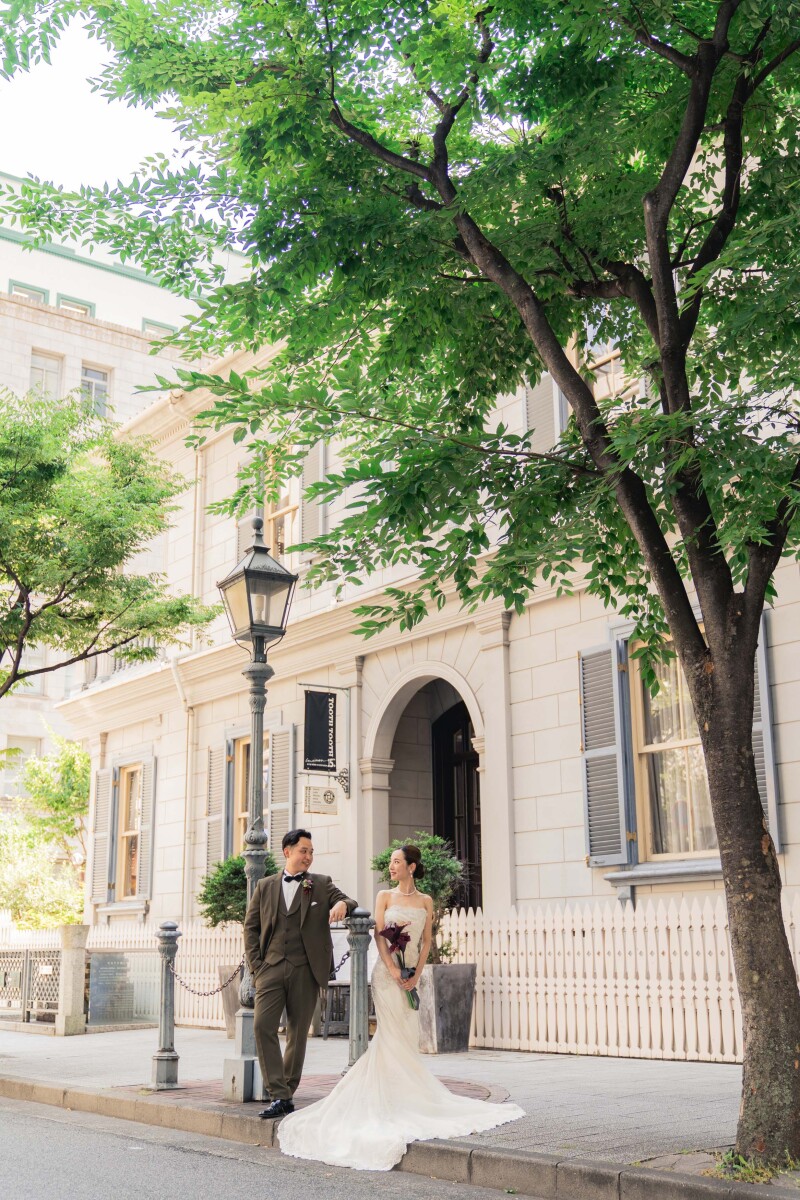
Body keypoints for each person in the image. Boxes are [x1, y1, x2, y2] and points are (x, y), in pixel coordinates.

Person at [277, 843, 525, 1170]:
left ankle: (407, 1095)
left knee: (406, 1038)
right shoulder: (384, 897)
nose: (391, 867)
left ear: (411, 866)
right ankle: (388, 1098)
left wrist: (416, 973)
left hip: (412, 977)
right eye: (391, 862)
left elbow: (426, 942)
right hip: (386, 976)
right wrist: (393, 970)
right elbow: (380, 936)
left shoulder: (425, 901)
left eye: (397, 862)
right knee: (389, 1037)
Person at [243, 827, 357, 1118]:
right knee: (262, 1027)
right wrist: (257, 965)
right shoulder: (265, 886)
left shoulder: (320, 883)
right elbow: (251, 928)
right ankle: (278, 1090)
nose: (308, 856)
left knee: (297, 1033)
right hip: (270, 967)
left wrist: (343, 904)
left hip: (306, 970)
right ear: (287, 852)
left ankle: (285, 1094)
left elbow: (349, 900)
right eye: (303, 851)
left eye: (311, 852)